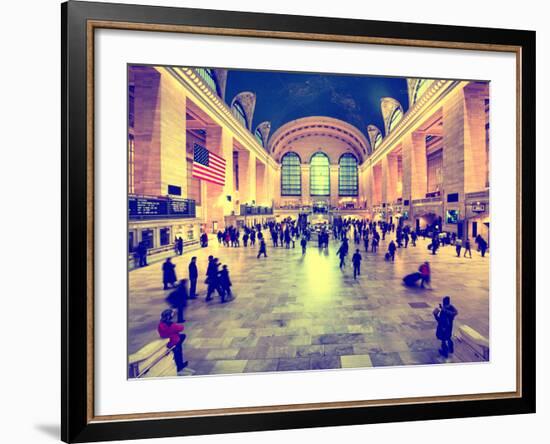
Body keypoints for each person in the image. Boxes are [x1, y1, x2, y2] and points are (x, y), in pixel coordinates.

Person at [157, 309, 188, 374]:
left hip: (167, 340)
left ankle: (179, 363)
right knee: (178, 353)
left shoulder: (160, 324)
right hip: (174, 341)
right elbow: (181, 328)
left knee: (182, 336)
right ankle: (180, 366)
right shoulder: (171, 325)